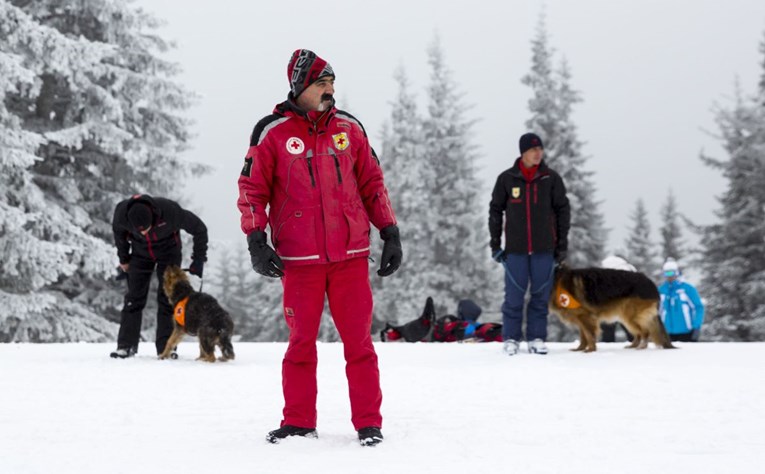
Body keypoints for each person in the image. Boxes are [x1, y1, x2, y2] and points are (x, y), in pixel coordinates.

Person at [237, 49, 401, 447]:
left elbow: (372, 184)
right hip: (299, 260)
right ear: (300, 88)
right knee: (300, 345)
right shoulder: (271, 132)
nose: (329, 91)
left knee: (359, 344)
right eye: (321, 84)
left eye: (331, 84)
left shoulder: (350, 128)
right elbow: (252, 190)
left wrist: (389, 230)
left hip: (350, 257)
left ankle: (368, 424)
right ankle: (298, 421)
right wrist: (256, 238)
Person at [488, 133, 570, 356]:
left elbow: (563, 211)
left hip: (545, 250)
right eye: (533, 150)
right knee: (513, 298)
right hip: (516, 251)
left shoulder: (551, 179)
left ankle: (536, 338)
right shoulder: (507, 179)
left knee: (540, 298)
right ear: (523, 153)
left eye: (540, 150)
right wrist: (495, 244)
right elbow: (495, 210)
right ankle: (511, 339)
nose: (538, 153)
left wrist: (561, 246)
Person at [110, 194, 208, 358]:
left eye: (147, 228)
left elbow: (200, 229)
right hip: (140, 254)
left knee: (167, 299)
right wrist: (124, 259)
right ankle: (126, 346)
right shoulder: (121, 214)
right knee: (133, 298)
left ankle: (167, 348)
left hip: (168, 253)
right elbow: (119, 235)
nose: (145, 232)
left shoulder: (170, 211)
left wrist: (198, 260)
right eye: (139, 230)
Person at [658, 258, 704, 342]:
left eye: (671, 272)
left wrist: (696, 326)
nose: (669, 276)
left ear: (677, 273)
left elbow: (698, 308)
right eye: (666, 273)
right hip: (667, 333)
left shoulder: (688, 289)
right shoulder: (661, 290)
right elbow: (657, 311)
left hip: (687, 333)